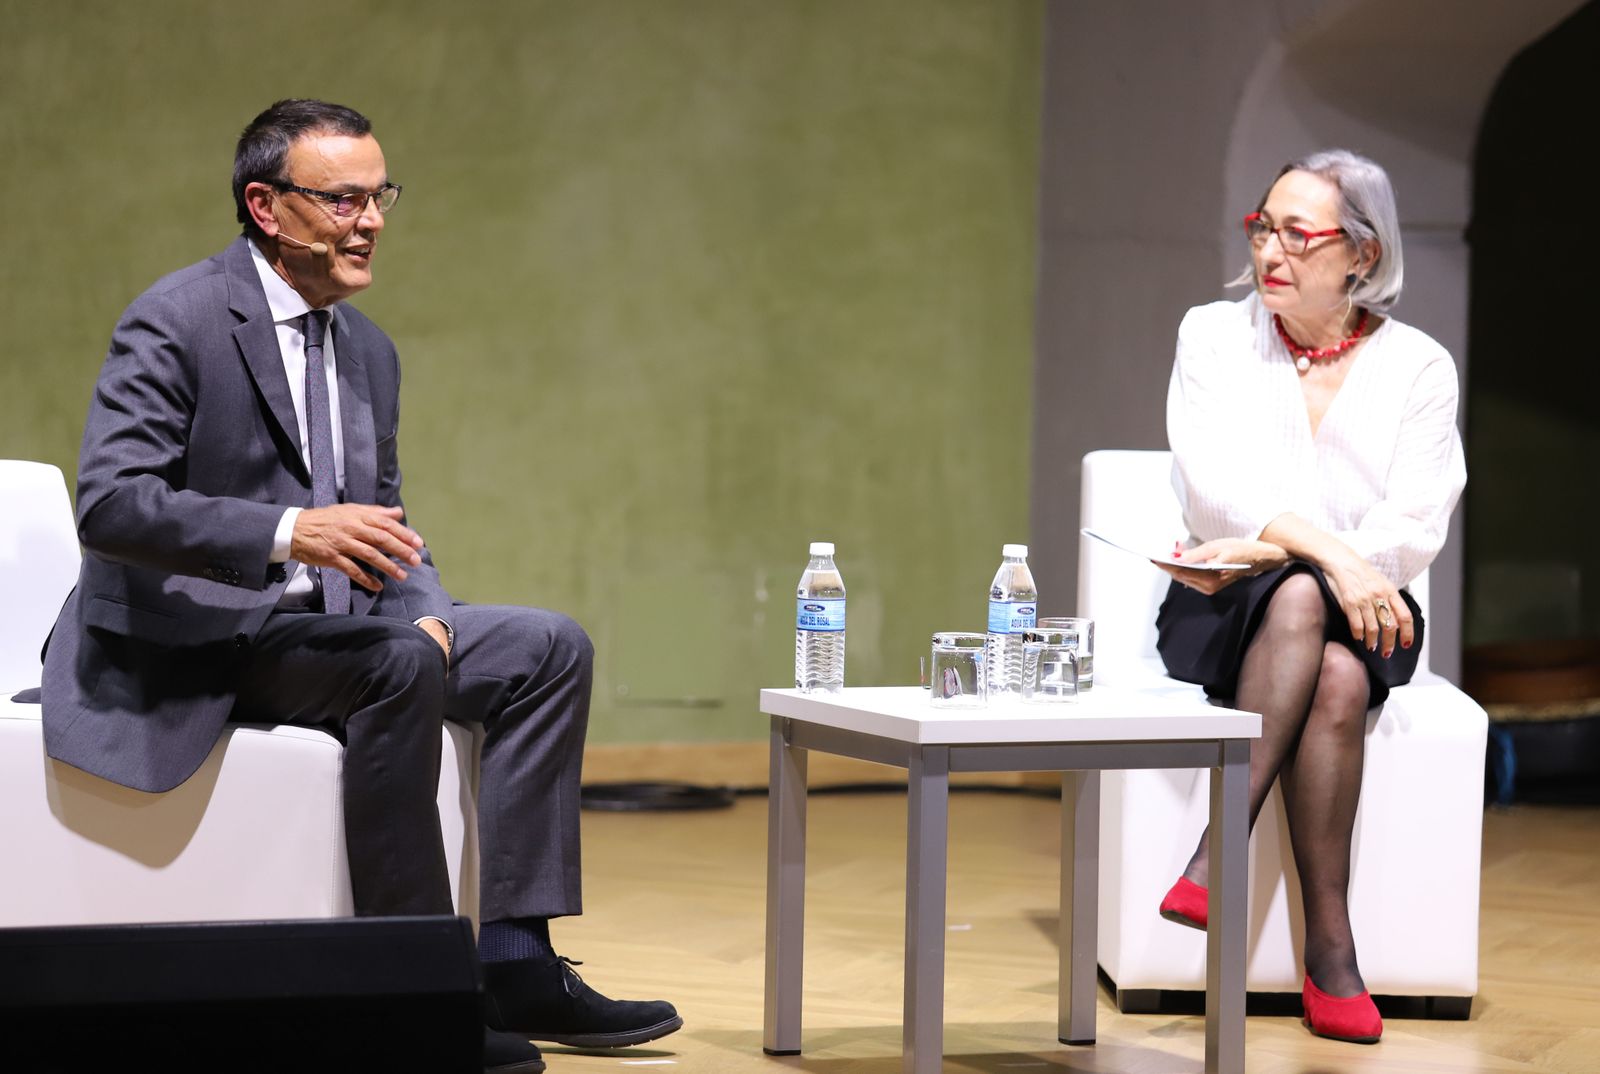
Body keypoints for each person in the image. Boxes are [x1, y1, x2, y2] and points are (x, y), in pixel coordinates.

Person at [37, 99, 680, 1074]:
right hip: (193, 638)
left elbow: (387, 527)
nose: (370, 218)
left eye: (380, 196)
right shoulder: (177, 318)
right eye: (342, 199)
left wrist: (424, 611)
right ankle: (410, 996)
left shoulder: (366, 349)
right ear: (266, 205)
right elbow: (112, 504)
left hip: (327, 636)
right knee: (390, 668)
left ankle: (513, 958)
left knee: (546, 646)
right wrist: (291, 532)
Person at [1152, 149, 1466, 1045]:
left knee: (1329, 654)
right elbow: (1214, 496)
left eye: (1299, 233)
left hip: (1374, 615)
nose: (1270, 252)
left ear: (1361, 254)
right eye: (1263, 227)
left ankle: (1218, 859)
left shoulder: (1420, 370)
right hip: (1224, 607)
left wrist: (1312, 556)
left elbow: (1412, 525)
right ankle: (1331, 957)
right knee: (1299, 611)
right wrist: (1336, 559)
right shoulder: (1211, 335)